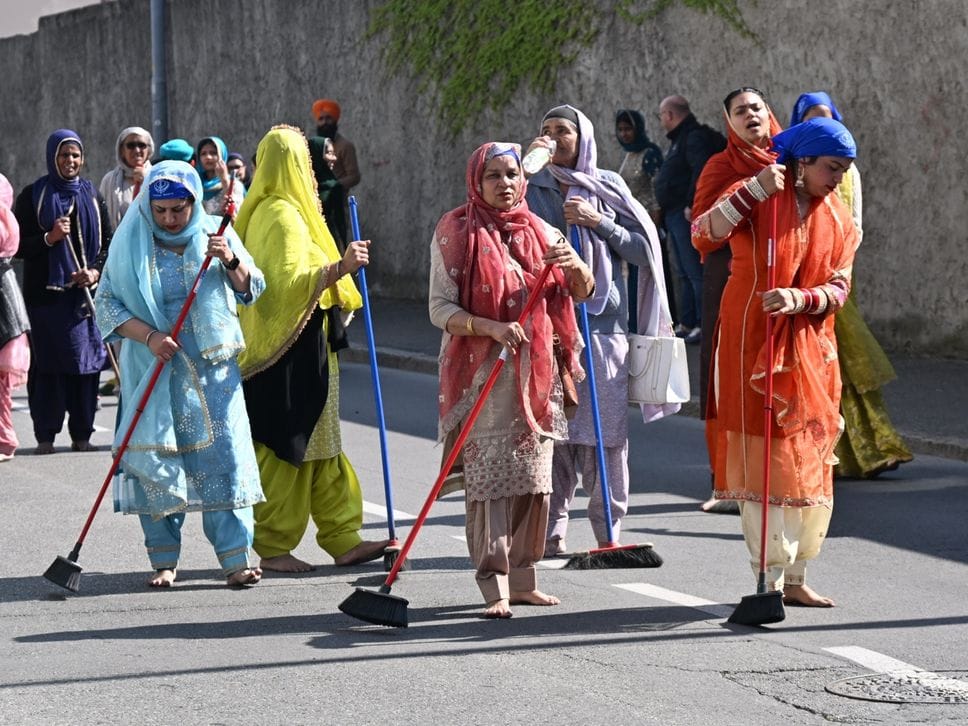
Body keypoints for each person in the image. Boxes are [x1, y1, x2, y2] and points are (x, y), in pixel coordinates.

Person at [691, 116, 860, 607]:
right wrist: (754, 191)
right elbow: (703, 234)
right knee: (766, 460)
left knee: (809, 457)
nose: (838, 179)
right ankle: (766, 576)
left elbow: (840, 288)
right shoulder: (761, 193)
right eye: (832, 167)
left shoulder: (839, 219)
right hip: (749, 339)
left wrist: (799, 299)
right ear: (802, 161)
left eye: (845, 170)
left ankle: (797, 574)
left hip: (811, 348)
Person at [429, 141, 594, 618]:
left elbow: (582, 292)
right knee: (491, 487)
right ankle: (492, 584)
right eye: (494, 176)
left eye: (513, 174)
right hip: (483, 374)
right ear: (476, 183)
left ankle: (524, 580)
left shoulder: (543, 230)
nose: (505, 184)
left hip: (537, 372)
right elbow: (439, 308)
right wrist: (492, 327)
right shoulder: (455, 232)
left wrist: (575, 266)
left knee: (533, 482)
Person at [94, 160, 265, 588]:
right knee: (159, 459)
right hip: (156, 369)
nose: (170, 218)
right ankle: (164, 560)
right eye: (162, 209)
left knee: (222, 458)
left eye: (179, 209)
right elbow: (108, 305)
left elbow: (251, 288)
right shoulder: (132, 242)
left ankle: (236, 558)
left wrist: (229, 261)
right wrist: (150, 337)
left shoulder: (216, 234)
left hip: (212, 376)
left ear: (193, 204)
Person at [525, 105, 676, 558]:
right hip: (550, 324)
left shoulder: (607, 185)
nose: (553, 137)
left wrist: (598, 222)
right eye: (545, 130)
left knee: (606, 435)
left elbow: (643, 249)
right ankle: (550, 534)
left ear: (583, 137)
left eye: (562, 130)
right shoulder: (529, 186)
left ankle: (608, 533)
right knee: (555, 434)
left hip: (602, 324)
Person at [236, 126, 387, 572]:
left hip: (311, 343)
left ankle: (343, 537)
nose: (312, 166)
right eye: (304, 159)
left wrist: (338, 275)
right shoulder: (279, 214)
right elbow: (280, 288)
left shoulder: (298, 211)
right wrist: (341, 267)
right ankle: (272, 544)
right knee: (288, 445)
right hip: (284, 352)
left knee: (323, 444)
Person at [790, 92, 912, 479]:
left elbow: (854, 224)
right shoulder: (792, 169)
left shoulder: (847, 170)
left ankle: (874, 444)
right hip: (800, 278)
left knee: (847, 361)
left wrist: (836, 269)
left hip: (836, 277)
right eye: (812, 122)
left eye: (828, 119)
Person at [691, 87, 782, 515]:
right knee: (729, 377)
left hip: (788, 284)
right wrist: (750, 193)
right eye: (740, 111)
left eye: (756, 108)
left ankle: (783, 475)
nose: (750, 116)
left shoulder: (794, 159)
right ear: (729, 122)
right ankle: (728, 479)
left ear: (769, 113)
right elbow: (701, 229)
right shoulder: (721, 165)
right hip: (731, 277)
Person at [13, 129, 110, 454]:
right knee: (49, 368)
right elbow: (15, 246)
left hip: (83, 301)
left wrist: (94, 270)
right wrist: (49, 238)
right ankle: (46, 435)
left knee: (85, 366)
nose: (70, 161)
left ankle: (82, 434)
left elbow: (109, 243)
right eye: (64, 155)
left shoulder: (92, 195)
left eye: (75, 155)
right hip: (46, 299)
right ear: (52, 157)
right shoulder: (34, 195)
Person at [654, 95, 726, 345]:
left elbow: (701, 171)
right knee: (684, 271)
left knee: (695, 270)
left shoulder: (693, 137)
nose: (661, 120)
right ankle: (687, 322)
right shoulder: (679, 140)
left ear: (670, 115)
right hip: (674, 214)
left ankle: (703, 324)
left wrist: (691, 204)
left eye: (661, 115)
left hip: (686, 213)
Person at [615, 108, 673, 329]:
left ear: (638, 129)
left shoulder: (650, 153)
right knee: (635, 276)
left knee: (656, 275)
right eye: (620, 130)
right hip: (632, 224)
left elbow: (656, 190)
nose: (625, 134)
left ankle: (662, 324)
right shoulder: (629, 154)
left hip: (649, 222)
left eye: (628, 129)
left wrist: (655, 227)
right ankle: (638, 324)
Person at [0, 173, 30, 463]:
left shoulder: (4, 221)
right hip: (5, 291)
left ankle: (4, 440)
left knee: (1, 379)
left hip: (3, 296)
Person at [99, 126, 154, 232]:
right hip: (118, 244)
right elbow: (102, 218)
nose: (137, 150)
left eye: (142, 145)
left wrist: (146, 180)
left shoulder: (157, 176)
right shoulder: (109, 181)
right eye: (131, 145)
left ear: (149, 149)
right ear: (122, 150)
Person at [312, 99, 361, 191]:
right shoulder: (313, 147)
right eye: (321, 119)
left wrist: (333, 185)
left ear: (335, 120)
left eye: (328, 118)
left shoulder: (345, 146)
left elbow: (354, 177)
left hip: (338, 201)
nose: (325, 122)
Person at [308, 136, 347, 246]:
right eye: (329, 153)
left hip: (328, 245)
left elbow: (340, 223)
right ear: (316, 155)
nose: (334, 158)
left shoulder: (333, 187)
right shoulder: (303, 185)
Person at [195, 136, 245, 217]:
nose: (208, 157)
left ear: (222, 155)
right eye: (203, 153)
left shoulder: (235, 185)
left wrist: (224, 181)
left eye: (213, 153)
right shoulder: (196, 184)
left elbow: (237, 215)